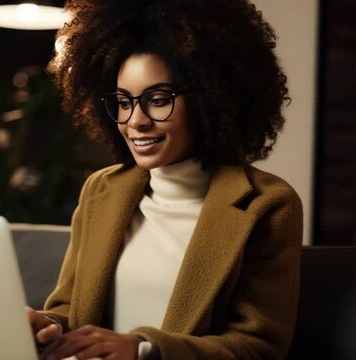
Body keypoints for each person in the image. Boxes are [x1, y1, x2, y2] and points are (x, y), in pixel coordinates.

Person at [27, 0, 304, 359]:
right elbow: (69, 310)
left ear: (211, 98)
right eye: (123, 102)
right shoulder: (102, 189)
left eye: (157, 100)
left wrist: (145, 350)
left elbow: (259, 347)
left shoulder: (266, 203)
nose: (135, 120)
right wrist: (45, 327)